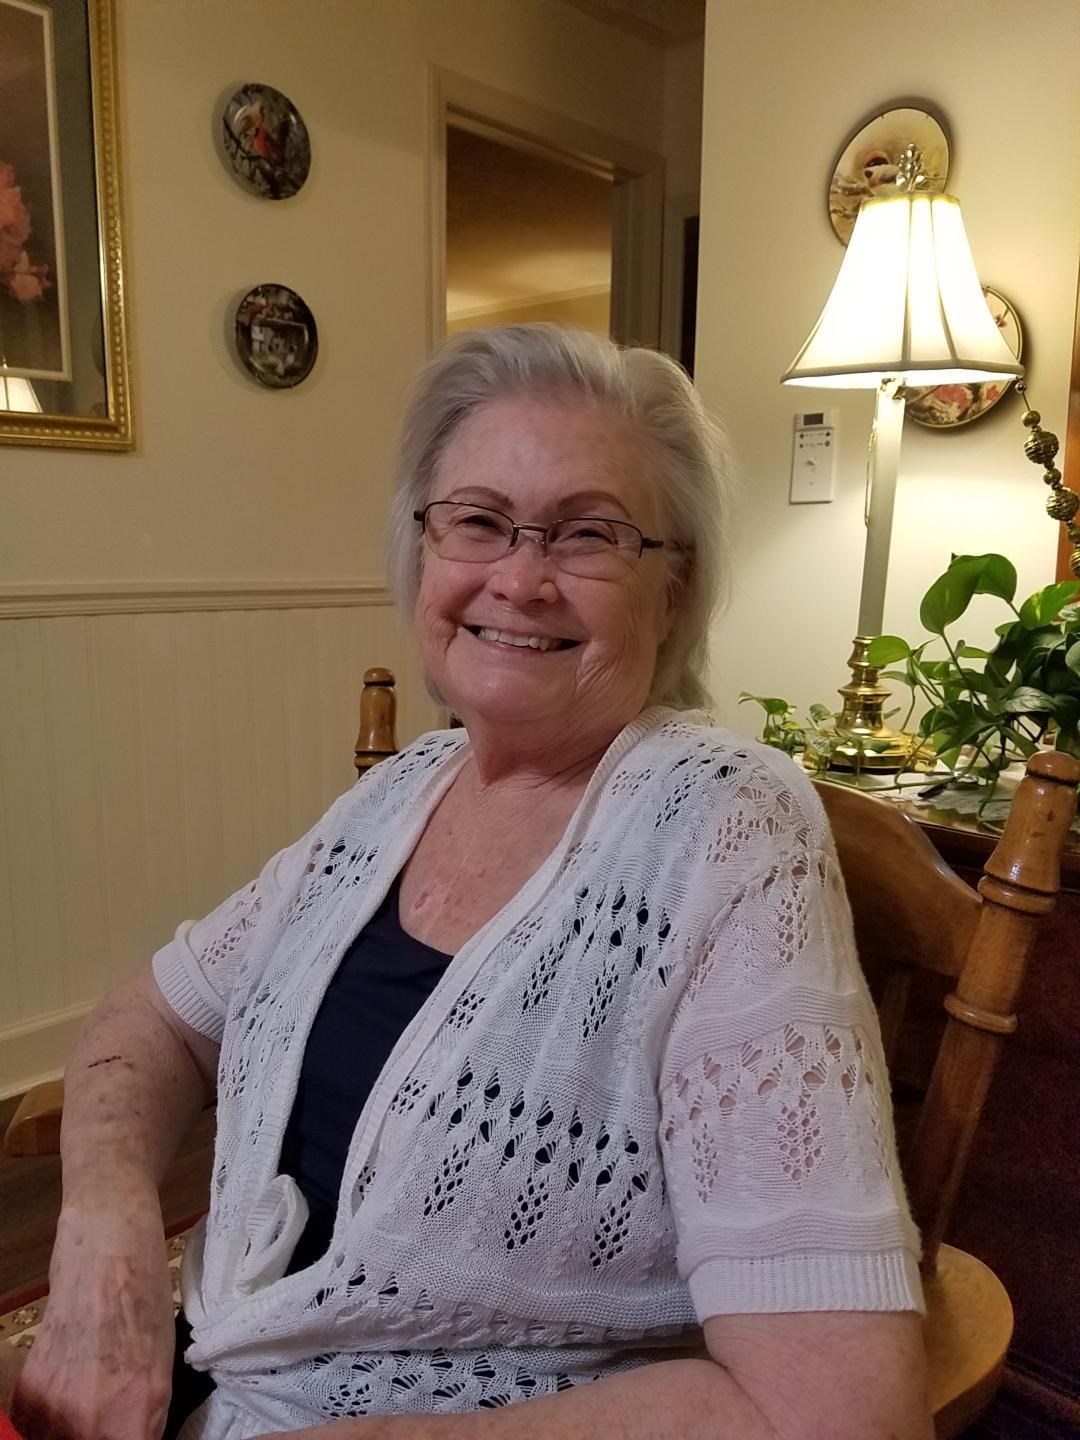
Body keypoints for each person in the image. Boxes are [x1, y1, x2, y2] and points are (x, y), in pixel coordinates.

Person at [12, 325, 931, 1440]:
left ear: (674, 581)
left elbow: (837, 1409)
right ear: (425, 548)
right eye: (479, 521)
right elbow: (156, 1017)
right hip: (202, 1366)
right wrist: (104, 1238)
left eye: (588, 533)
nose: (520, 579)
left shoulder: (726, 829)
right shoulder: (403, 791)